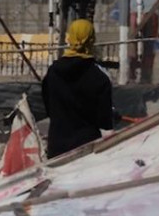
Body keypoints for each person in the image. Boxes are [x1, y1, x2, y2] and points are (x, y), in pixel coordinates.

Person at [41, 19, 115, 158]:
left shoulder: (53, 73)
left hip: (57, 147)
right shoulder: (100, 78)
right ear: (92, 40)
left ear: (70, 38)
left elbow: (49, 108)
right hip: (87, 149)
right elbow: (105, 122)